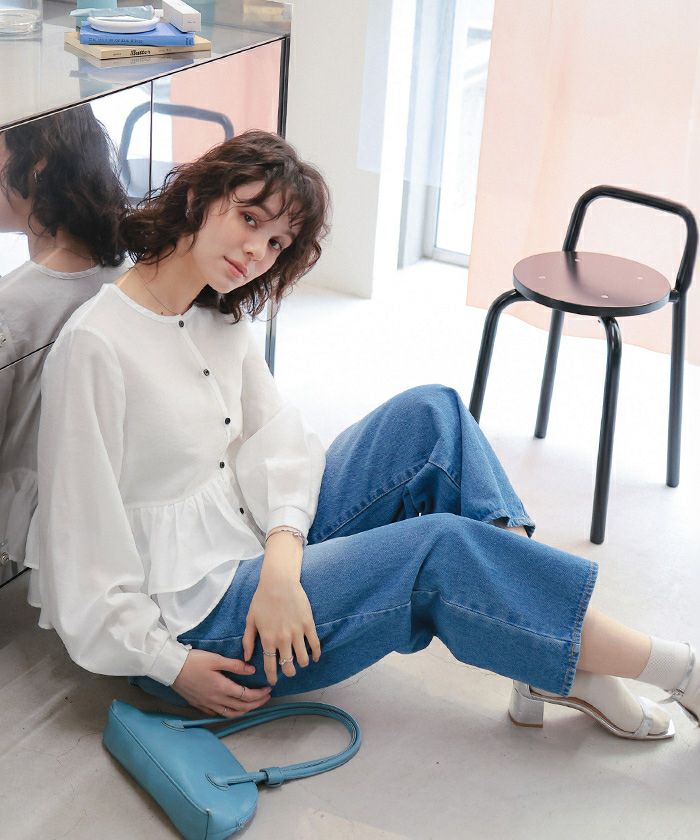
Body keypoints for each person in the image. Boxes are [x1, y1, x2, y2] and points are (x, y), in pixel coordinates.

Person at [25, 130, 699, 743]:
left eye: (277, 243)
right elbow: (78, 555)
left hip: (259, 556)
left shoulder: (215, 314)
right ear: (200, 196)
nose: (257, 252)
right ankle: (676, 668)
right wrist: (171, 665)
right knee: (441, 548)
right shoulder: (97, 346)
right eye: (250, 219)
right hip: (202, 631)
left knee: (433, 413)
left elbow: (279, 442)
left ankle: (545, 654)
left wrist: (282, 560)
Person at [0, 105, 130, 583]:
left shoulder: (12, 306)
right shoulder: (126, 271)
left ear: (37, 165)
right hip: (93, 507)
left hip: (24, 532)